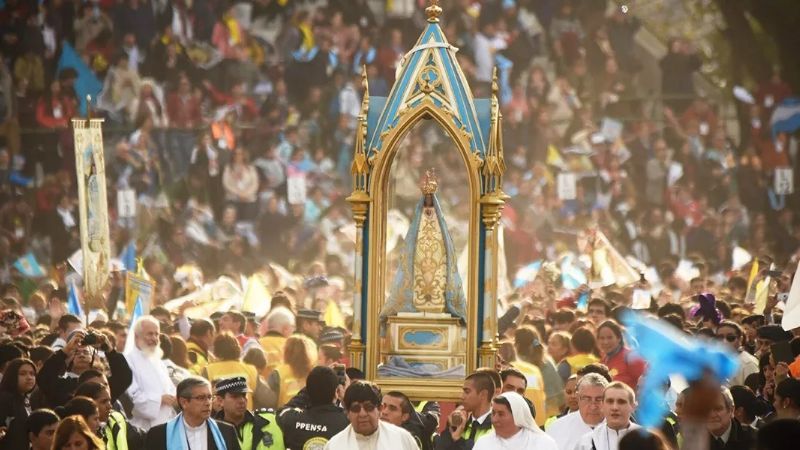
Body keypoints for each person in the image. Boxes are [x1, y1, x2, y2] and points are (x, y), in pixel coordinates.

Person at [37, 328, 132, 408]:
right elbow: (44, 378)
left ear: (93, 357)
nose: (81, 355)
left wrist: (109, 350)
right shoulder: (64, 386)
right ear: (68, 358)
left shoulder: (102, 386)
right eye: (76, 352)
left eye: (86, 352)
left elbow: (124, 377)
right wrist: (66, 350)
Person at [145, 377, 241, 450]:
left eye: (209, 397)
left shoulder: (226, 431)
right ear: (184, 402)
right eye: (201, 398)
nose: (208, 403)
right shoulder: (159, 434)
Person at [324, 380, 417, 450]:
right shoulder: (334, 446)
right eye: (356, 409)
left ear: (380, 409)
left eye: (368, 407)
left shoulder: (402, 439)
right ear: (347, 413)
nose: (362, 414)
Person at [124, 316, 177, 430]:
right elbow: (131, 397)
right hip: (143, 428)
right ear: (137, 336)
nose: (154, 338)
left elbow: (170, 389)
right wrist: (159, 400)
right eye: (149, 334)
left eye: (156, 334)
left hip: (166, 423)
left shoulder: (157, 360)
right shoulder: (128, 360)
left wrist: (175, 396)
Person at [278, 366, 348, 449]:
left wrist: (314, 384)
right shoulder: (346, 423)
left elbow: (283, 411)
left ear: (308, 390)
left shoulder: (291, 419)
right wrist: (346, 398)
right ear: (337, 392)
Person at [213, 376, 284, 450]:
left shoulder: (273, 420)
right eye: (235, 396)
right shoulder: (211, 432)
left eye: (244, 395)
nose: (242, 401)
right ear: (220, 401)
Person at [473, 392, 557, 450]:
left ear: (517, 416)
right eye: (493, 413)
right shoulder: (483, 443)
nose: (494, 419)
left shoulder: (543, 444)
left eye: (501, 414)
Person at [74, 381, 145, 449]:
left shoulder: (116, 418)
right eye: (104, 402)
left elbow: (139, 438)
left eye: (109, 401)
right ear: (87, 404)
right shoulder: (73, 436)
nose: (110, 406)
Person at [546, 373, 609, 450]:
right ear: (577, 397)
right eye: (587, 399)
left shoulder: (621, 428)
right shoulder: (556, 428)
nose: (593, 406)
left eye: (599, 399)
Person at [435, 371, 495, 449]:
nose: (462, 396)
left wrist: (458, 440)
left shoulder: (497, 426)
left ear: (483, 394)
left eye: (467, 392)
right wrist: (451, 427)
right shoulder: (461, 421)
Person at [575, 381, 641, 450]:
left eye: (621, 402)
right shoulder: (587, 443)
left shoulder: (646, 440)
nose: (615, 407)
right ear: (602, 405)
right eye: (610, 401)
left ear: (633, 407)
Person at [204, 333, 258, 409]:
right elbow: (265, 398)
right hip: (245, 416)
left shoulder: (208, 370)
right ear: (238, 349)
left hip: (219, 417)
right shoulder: (251, 370)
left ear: (216, 351)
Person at [267, 334, 316, 407]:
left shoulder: (278, 373)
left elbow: (269, 402)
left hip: (283, 415)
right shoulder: (314, 372)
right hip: (308, 415)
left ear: (286, 351)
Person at [0, 357, 37, 449]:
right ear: (12, 376)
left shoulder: (26, 400)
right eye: (22, 374)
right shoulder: (5, 398)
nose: (29, 377)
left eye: (32, 374)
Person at [597, 320, 645, 388]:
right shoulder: (602, 361)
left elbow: (646, 384)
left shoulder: (631, 358)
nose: (606, 342)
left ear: (619, 338)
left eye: (610, 337)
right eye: (602, 338)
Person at [715, 320, 759, 387]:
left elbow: (753, 394)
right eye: (720, 338)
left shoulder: (748, 363)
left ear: (740, 339)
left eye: (730, 338)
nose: (724, 342)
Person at [258, 307, 294, 376]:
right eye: (292, 327)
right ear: (285, 328)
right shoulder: (291, 347)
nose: (293, 331)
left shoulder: (254, 344)